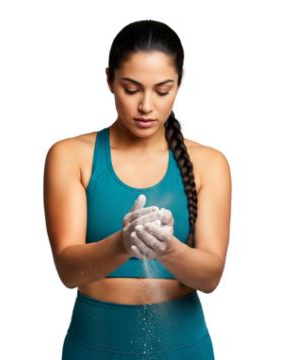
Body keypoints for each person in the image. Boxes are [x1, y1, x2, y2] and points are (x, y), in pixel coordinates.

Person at [44, 17, 231, 359]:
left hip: (183, 346)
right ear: (109, 80)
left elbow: (211, 280)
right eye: (132, 89)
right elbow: (68, 273)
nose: (146, 105)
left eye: (162, 90)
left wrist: (167, 249)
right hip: (93, 346)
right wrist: (123, 242)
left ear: (179, 85)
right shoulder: (70, 154)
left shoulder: (210, 162)